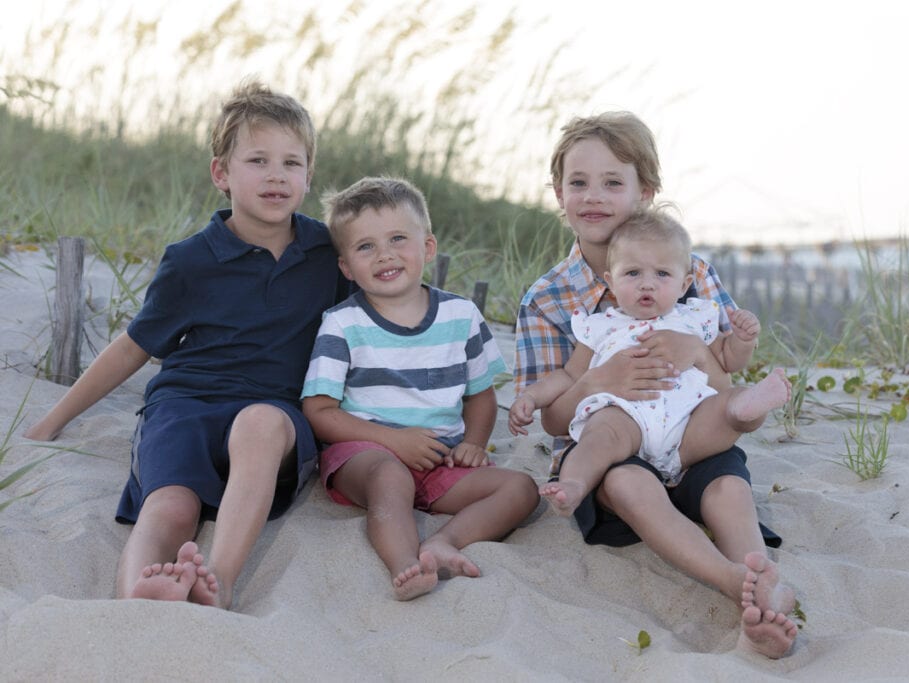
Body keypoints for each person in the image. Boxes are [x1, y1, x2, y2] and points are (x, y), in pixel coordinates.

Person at [24, 80, 355, 610]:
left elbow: (380, 321)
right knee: (172, 505)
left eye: (292, 163)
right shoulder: (190, 260)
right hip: (185, 405)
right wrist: (50, 421)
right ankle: (137, 589)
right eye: (258, 160)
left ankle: (216, 583)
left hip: (273, 423)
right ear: (221, 173)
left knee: (260, 422)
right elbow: (133, 347)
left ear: (309, 175)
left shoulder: (328, 252)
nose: (277, 174)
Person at [513, 112, 798, 658]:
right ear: (558, 193)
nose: (594, 196)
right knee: (628, 485)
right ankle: (729, 582)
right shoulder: (548, 299)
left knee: (729, 486)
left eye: (613, 183)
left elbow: (723, 373)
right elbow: (554, 419)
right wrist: (601, 377)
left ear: (645, 191)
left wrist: (698, 350)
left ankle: (767, 586)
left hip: (690, 432)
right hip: (613, 449)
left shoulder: (691, 271)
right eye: (579, 183)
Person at [301, 176, 539, 601]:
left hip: (440, 458)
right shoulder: (342, 324)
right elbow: (319, 411)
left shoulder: (460, 315)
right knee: (390, 477)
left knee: (520, 489)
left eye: (397, 238)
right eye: (365, 246)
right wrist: (394, 441)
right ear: (346, 267)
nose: (385, 254)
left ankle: (444, 542)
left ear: (427, 247)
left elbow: (480, 393)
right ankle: (405, 564)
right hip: (366, 454)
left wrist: (475, 442)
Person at [509, 206, 792, 513]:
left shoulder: (695, 318)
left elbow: (728, 359)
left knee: (727, 404)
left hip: (688, 426)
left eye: (662, 274)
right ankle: (575, 484)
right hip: (626, 420)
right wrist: (533, 396)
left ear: (684, 285)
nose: (647, 283)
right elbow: (569, 375)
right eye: (632, 273)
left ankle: (743, 409)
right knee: (600, 434)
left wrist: (743, 340)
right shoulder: (601, 325)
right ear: (611, 282)